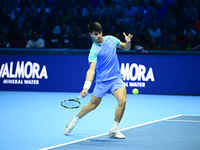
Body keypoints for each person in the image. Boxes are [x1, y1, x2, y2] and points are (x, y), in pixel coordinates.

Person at [64, 22, 133, 139]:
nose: (99, 36)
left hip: (116, 79)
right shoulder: (94, 51)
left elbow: (126, 48)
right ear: (90, 35)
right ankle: (74, 120)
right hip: (102, 82)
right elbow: (91, 70)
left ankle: (114, 129)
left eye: (100, 33)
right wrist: (86, 87)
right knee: (92, 105)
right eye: (95, 34)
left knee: (122, 101)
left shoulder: (111, 39)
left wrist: (128, 42)